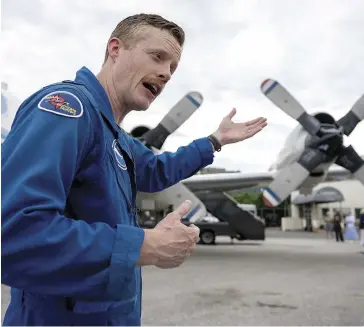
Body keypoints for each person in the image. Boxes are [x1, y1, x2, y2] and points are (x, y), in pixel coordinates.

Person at [1, 13, 267, 326]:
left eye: (172, 68)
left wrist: (214, 141)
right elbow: (13, 235)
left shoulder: (116, 137)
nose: (166, 74)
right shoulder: (67, 109)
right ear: (115, 48)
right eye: (158, 57)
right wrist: (147, 244)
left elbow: (155, 170)